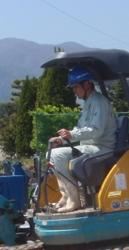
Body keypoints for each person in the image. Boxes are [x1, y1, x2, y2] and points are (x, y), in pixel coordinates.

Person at [48, 68, 118, 212]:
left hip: (102, 148)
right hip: (91, 146)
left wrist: (71, 135)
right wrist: (61, 139)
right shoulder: (88, 104)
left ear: (86, 84)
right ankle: (66, 196)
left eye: (76, 87)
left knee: (58, 155)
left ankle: (74, 200)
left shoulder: (99, 102)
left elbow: (96, 131)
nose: (74, 91)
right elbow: (80, 128)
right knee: (51, 153)